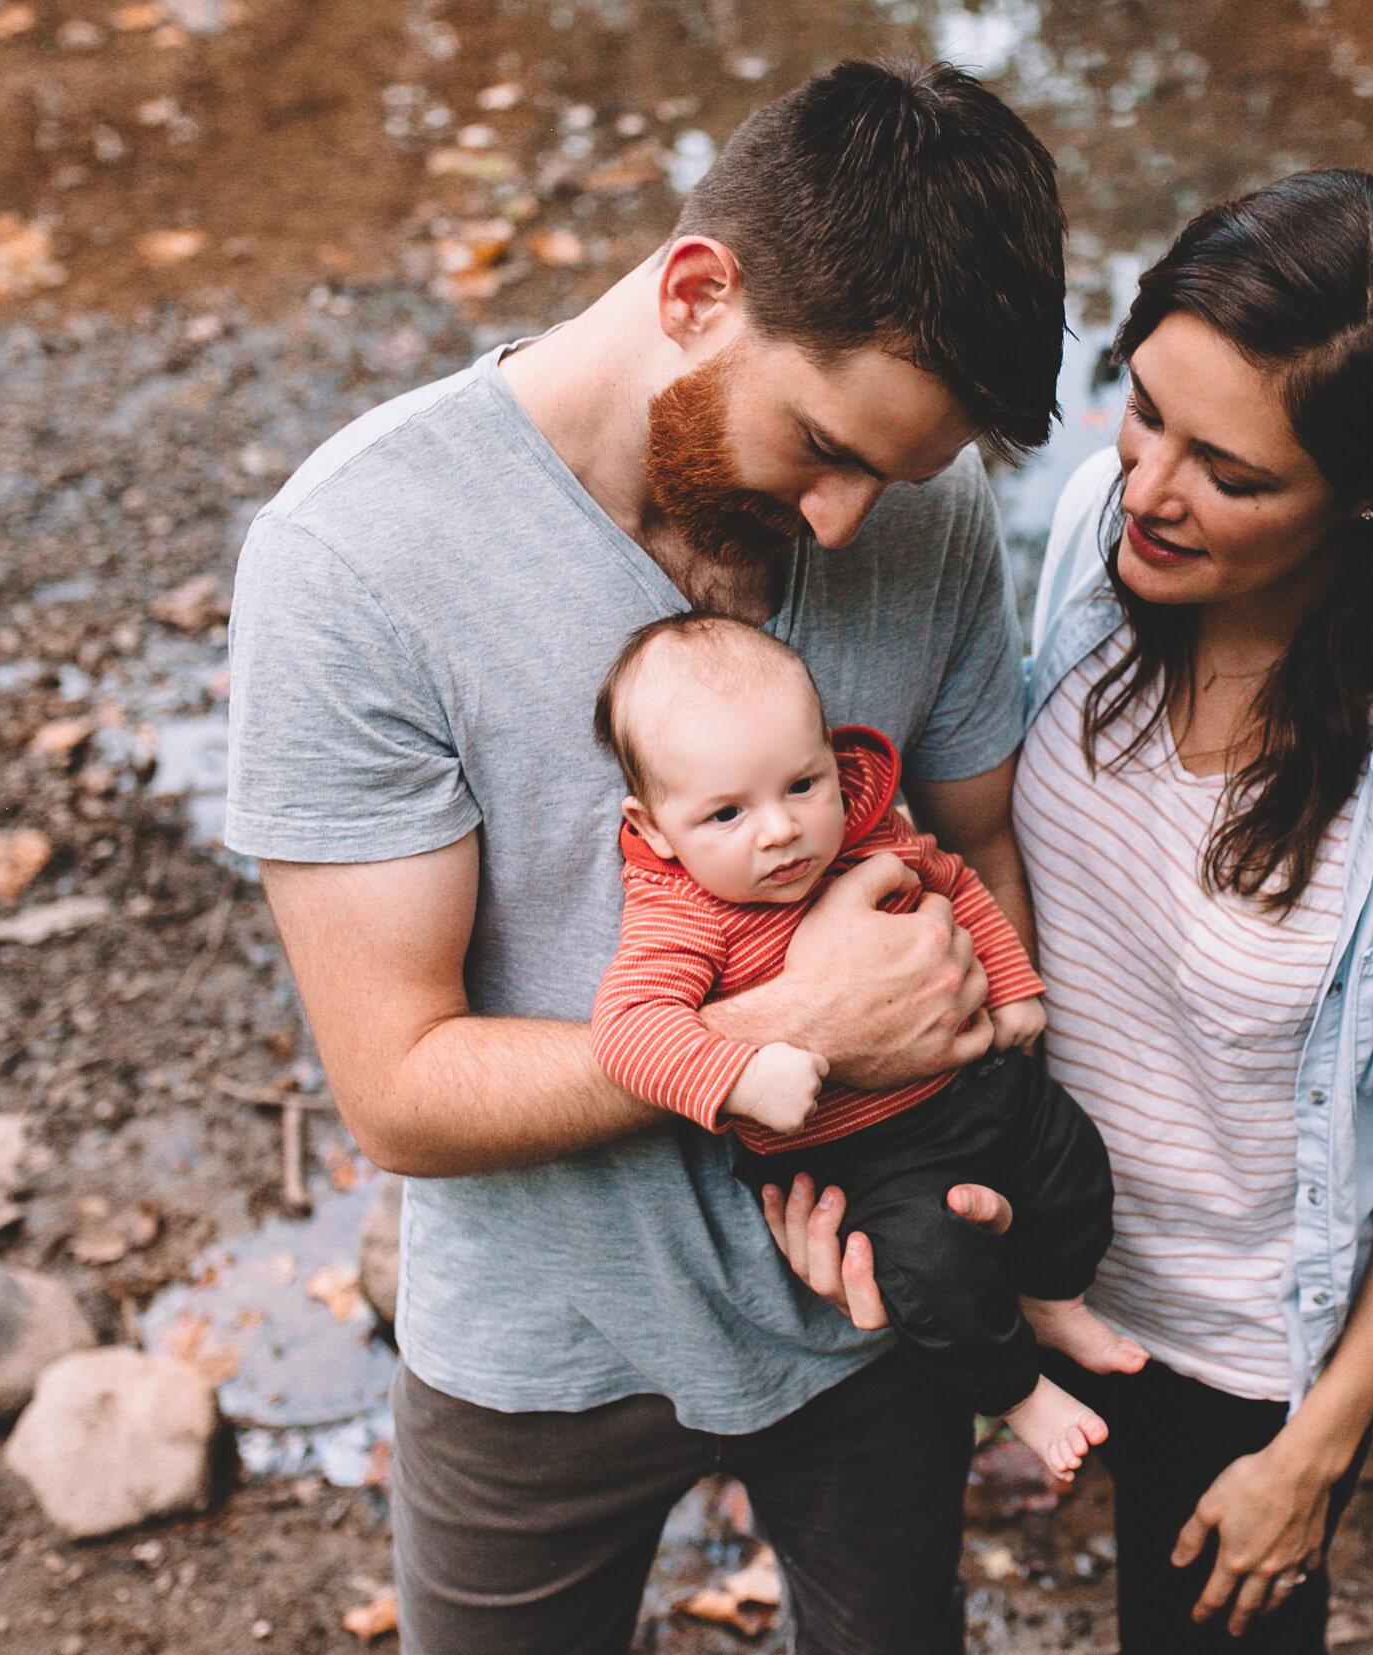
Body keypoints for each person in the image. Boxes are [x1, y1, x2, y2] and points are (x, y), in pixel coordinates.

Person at [222, 61, 1066, 1655]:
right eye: (820, 444)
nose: (843, 523)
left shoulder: (914, 515)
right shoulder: (359, 558)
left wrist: (974, 1168)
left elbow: (980, 845)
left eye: (895, 471)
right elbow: (397, 1083)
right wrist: (789, 1033)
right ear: (696, 291)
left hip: (873, 1304)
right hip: (538, 1344)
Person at [775, 169, 1373, 1652]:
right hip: (1010, 1235)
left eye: (1231, 473)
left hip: (1235, 1349)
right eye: (1144, 405)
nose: (1148, 485)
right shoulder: (1110, 548)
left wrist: (1309, 1457)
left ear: (1371, 491)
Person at [587, 613, 1141, 1478]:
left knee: (1073, 1155)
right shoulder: (682, 914)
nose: (779, 831)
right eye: (727, 812)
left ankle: (1054, 1293)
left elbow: (950, 878)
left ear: (831, 758)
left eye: (802, 784)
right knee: (930, 1266)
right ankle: (1017, 1393)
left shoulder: (863, 832)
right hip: (861, 1157)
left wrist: (1012, 978)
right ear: (654, 827)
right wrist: (742, 1070)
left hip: (971, 1084)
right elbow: (628, 1031)